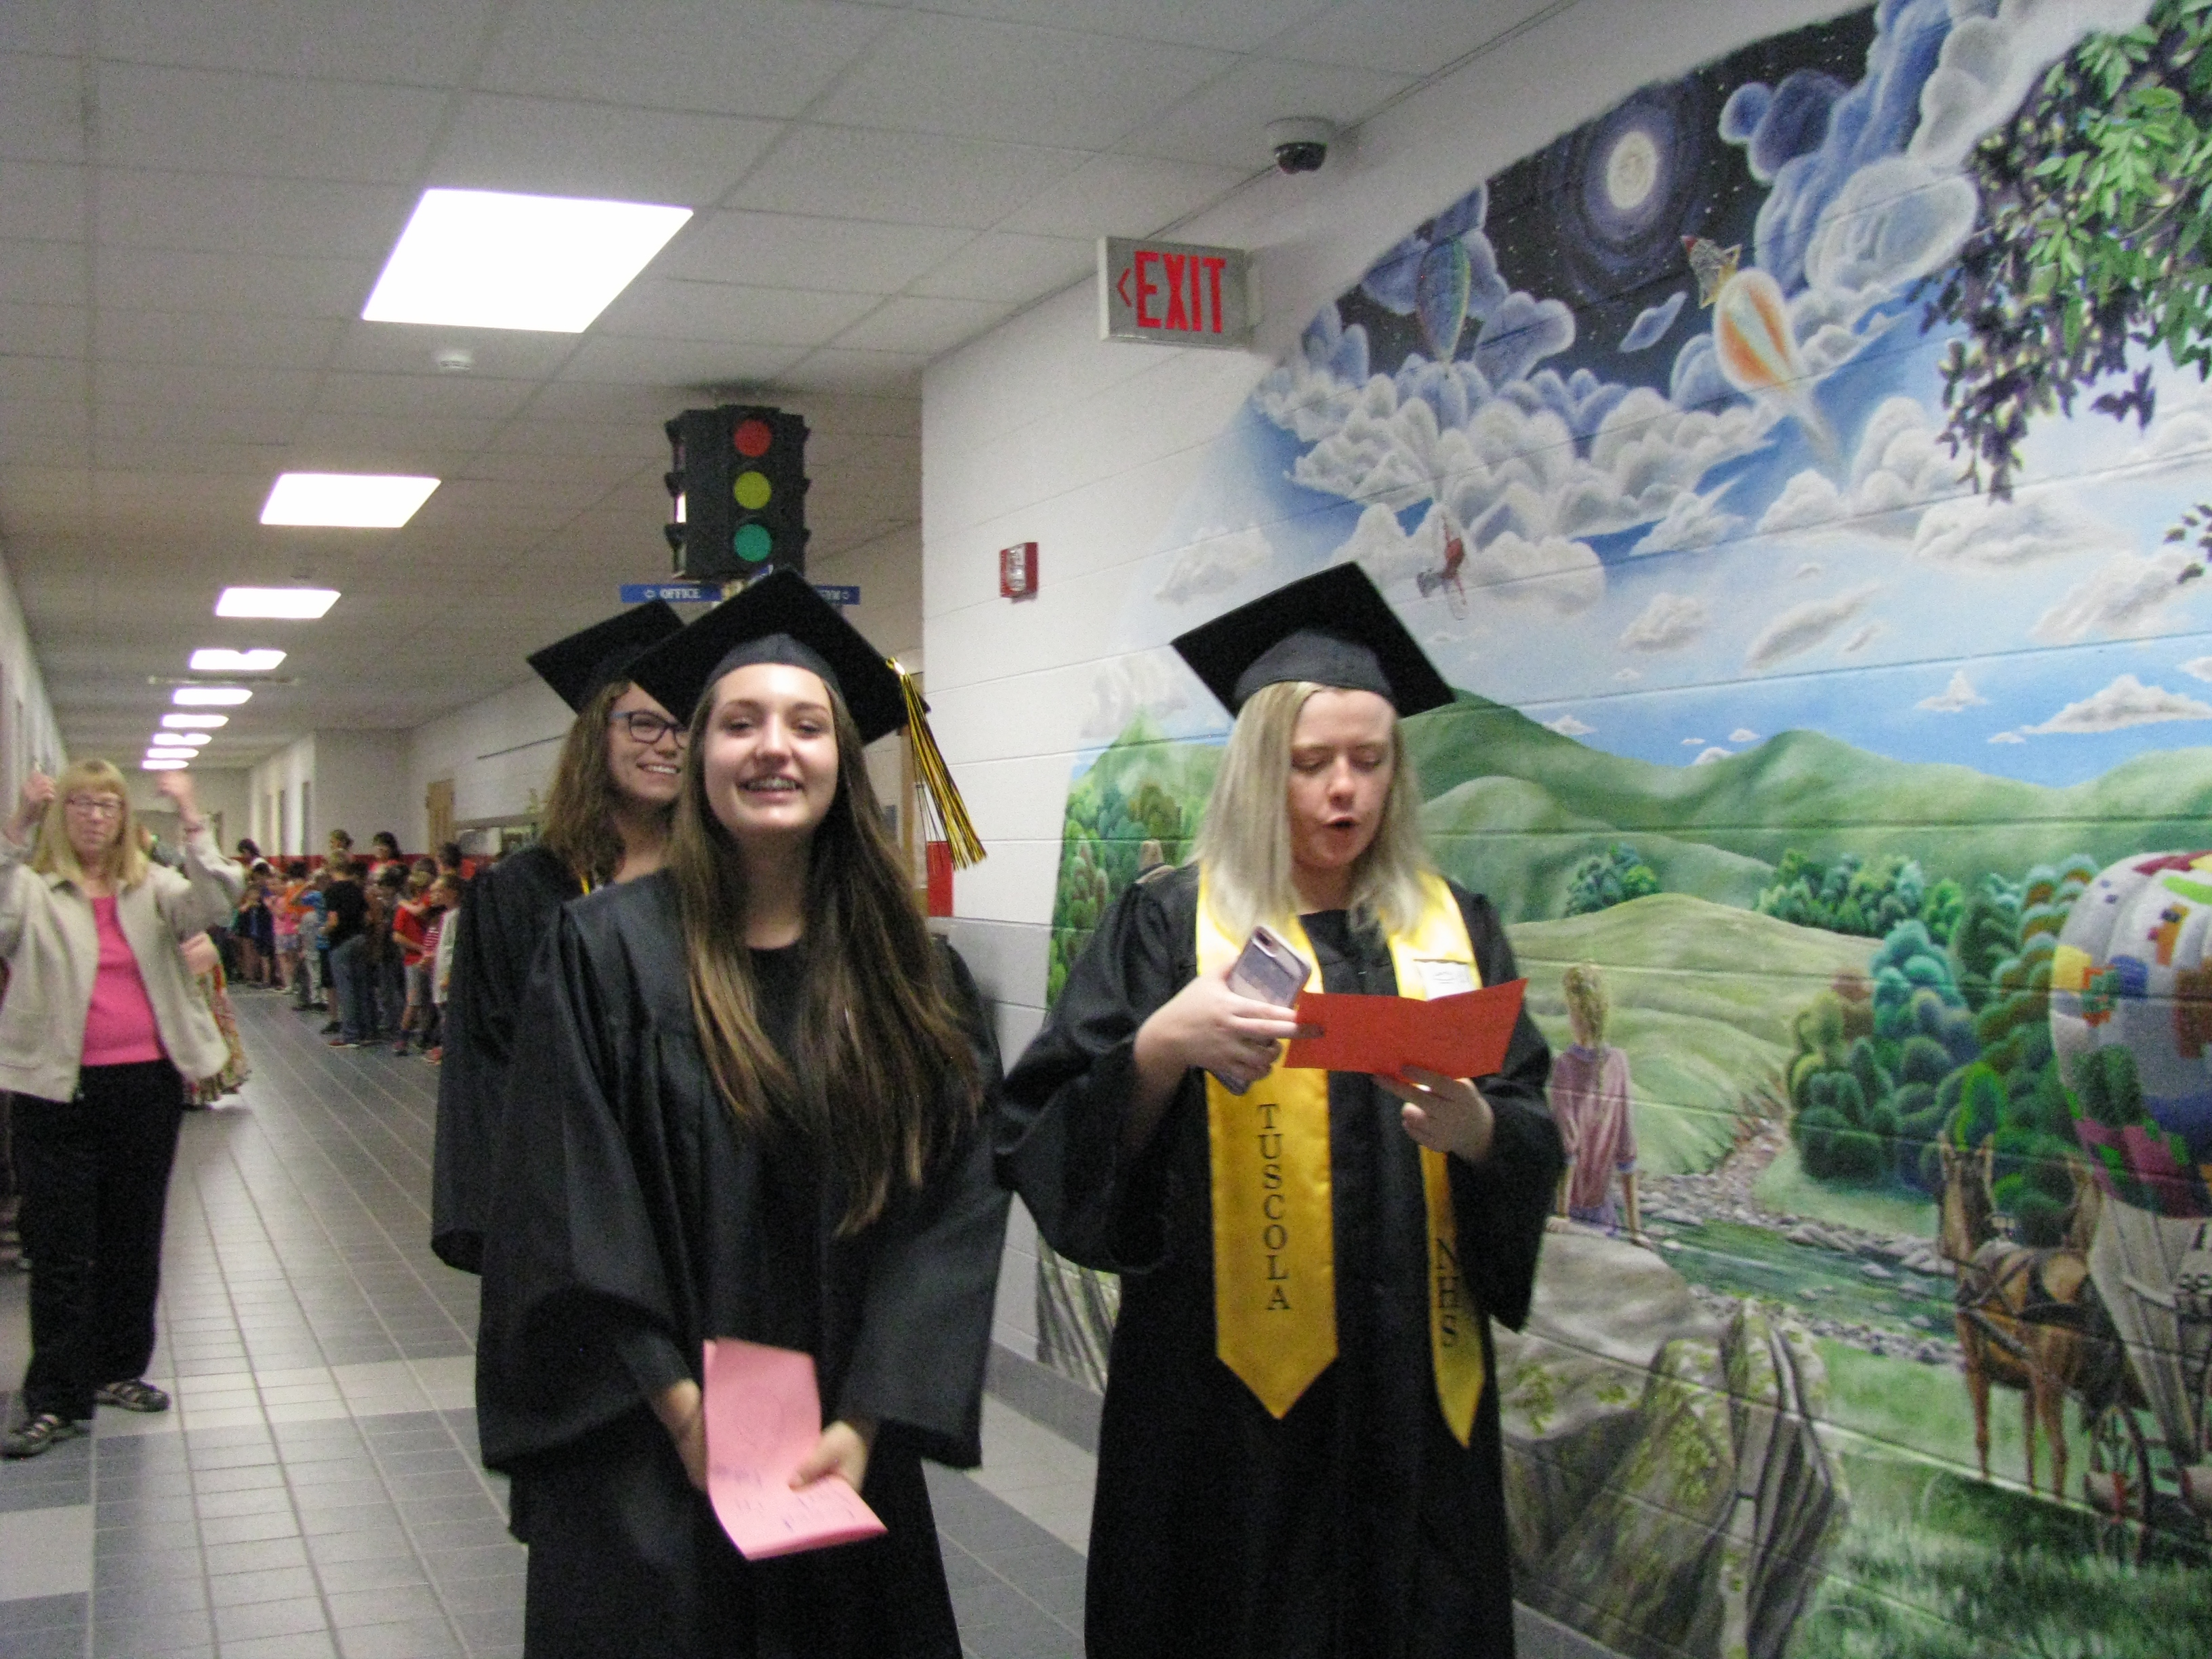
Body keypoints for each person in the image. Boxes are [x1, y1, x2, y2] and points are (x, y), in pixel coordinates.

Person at [998, 565, 1563, 1659]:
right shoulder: (1169, 926)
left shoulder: (1454, 928)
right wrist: (1159, 1049)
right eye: (1310, 764)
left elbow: (1526, 1118)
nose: (1343, 790)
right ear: (1261, 769)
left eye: (1369, 761)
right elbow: (1043, 1128)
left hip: (1414, 1407)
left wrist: (1481, 1133)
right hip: (1225, 1422)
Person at [476, 572, 1009, 1658]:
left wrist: (866, 1419)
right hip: (649, 1448)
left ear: (842, 761)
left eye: (806, 725)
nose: (775, 748)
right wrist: (686, 1412)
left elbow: (950, 1211)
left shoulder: (913, 980)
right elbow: (567, 1204)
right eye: (740, 723)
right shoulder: (602, 955)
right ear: (699, 755)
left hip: (839, 1451)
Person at [430, 600, 685, 1272]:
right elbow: (487, 1065)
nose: (668, 744)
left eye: (686, 725)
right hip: (570, 1199)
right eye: (644, 723)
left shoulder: (723, 882)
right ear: (597, 735)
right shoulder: (523, 891)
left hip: (702, 1191)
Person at [0, 762, 245, 1457]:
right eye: (80, 804)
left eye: (107, 805)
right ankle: (55, 1398)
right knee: (59, 1247)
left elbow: (217, 902)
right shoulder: (33, 887)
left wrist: (192, 816)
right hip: (54, 1089)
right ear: (61, 815)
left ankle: (117, 1369)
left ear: (124, 817)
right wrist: (17, 826)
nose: (94, 816)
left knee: (132, 1238)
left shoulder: (153, 886)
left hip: (143, 1088)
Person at [1550, 963, 1642, 1240]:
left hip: (1568, 1214)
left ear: (1574, 1014)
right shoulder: (1620, 1063)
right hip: (1605, 1218)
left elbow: (1568, 1149)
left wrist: (1563, 1214)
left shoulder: (1564, 1066)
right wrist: (1635, 1231)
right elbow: (1627, 1153)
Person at [323, 857, 369, 1046]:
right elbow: (367, 917)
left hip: (341, 942)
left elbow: (333, 921)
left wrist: (324, 930)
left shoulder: (332, 891)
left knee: (346, 988)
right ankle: (366, 1030)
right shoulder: (357, 889)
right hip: (359, 938)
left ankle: (350, 1034)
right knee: (361, 986)